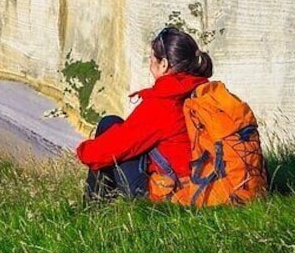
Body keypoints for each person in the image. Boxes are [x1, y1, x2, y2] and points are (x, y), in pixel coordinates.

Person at [76, 26, 213, 202]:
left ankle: (92, 210)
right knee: (114, 125)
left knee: (109, 130)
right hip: (202, 182)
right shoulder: (201, 89)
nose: (149, 64)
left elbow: (115, 146)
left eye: (151, 59)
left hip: (174, 193)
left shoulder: (165, 102)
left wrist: (82, 151)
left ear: (164, 64)